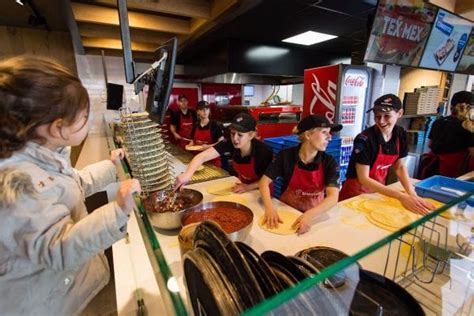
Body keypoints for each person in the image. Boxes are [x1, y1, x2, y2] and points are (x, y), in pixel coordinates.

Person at [0, 56, 141, 315]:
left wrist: (112, 168)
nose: (88, 121)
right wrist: (116, 212)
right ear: (58, 127)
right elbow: (57, 246)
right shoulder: (15, 183)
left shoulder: (41, 157)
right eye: (84, 116)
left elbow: (73, 184)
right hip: (41, 305)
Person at [339, 94, 435, 215]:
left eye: (387, 116)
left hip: (378, 191)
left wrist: (411, 194)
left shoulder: (400, 134)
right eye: (377, 116)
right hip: (355, 194)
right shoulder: (364, 139)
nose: (381, 121)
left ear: (399, 113)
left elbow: (399, 167)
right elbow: (364, 178)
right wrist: (401, 197)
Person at [259, 115, 342, 235]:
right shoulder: (285, 156)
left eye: (329, 133)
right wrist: (270, 208)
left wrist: (309, 215)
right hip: (287, 212)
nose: (330, 137)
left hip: (315, 215)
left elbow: (333, 197)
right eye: (324, 132)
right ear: (308, 135)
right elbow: (264, 182)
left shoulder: (329, 162)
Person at [175, 112, 273, 193]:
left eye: (240, 135)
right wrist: (187, 174)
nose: (235, 139)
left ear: (251, 135)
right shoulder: (230, 143)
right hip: (242, 187)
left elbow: (270, 179)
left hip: (263, 192)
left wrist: (248, 187)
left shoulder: (264, 152)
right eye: (232, 133)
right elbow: (202, 157)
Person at [422, 91, 474, 178]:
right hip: (454, 173)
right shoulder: (468, 126)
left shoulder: (439, 121)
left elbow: (430, 144)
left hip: (433, 169)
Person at [187, 100, 225, 166]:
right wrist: (190, 145)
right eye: (202, 109)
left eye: (207, 109)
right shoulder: (195, 125)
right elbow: (193, 141)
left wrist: (208, 147)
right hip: (199, 160)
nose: (205, 111)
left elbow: (221, 143)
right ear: (198, 112)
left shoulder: (215, 125)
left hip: (213, 161)